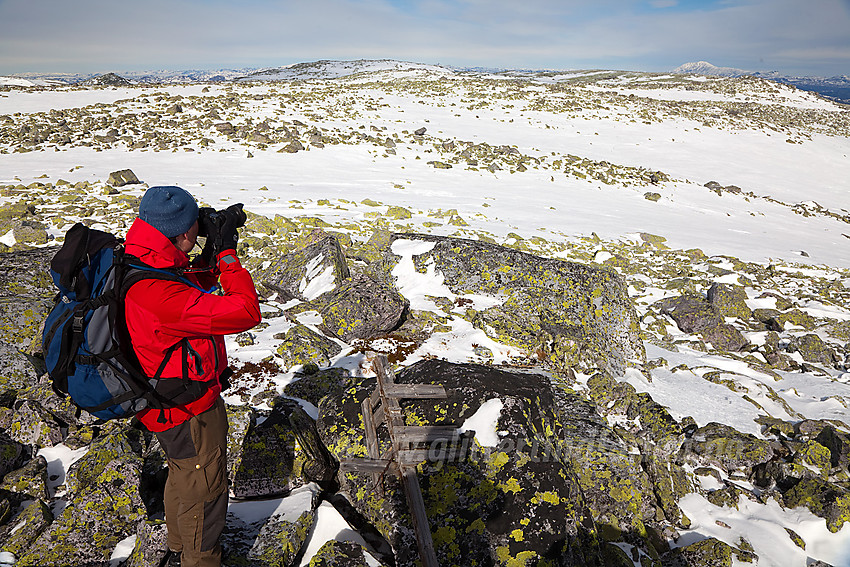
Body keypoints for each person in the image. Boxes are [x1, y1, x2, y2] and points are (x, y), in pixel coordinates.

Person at [123, 185, 261, 567]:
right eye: (195, 226)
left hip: (161, 401)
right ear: (183, 232)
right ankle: (199, 559)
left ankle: (178, 545)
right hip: (188, 408)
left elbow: (185, 286)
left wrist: (208, 255)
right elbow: (245, 311)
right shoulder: (157, 292)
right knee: (206, 488)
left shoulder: (138, 257)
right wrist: (228, 256)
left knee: (184, 473)